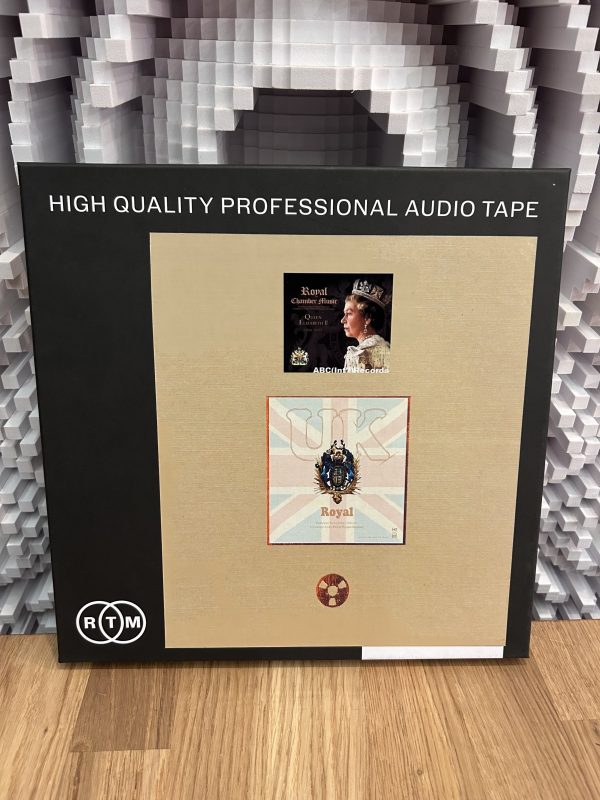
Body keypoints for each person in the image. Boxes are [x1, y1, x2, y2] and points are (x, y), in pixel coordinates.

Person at [341, 278, 391, 371]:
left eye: (349, 313)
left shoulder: (360, 354)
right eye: (345, 314)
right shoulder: (384, 347)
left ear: (367, 318)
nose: (342, 320)